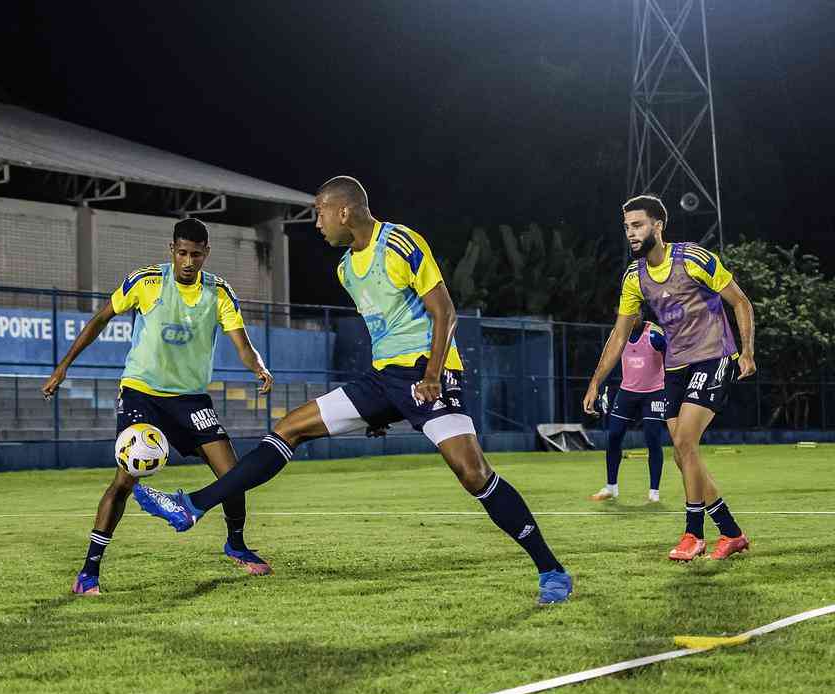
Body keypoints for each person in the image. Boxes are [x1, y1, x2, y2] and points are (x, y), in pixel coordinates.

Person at [133, 177, 572, 605]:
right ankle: (191, 506)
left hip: (428, 373)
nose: (317, 222)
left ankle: (551, 570)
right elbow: (385, 334)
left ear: (344, 211)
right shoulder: (345, 270)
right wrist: (378, 409)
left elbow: (446, 312)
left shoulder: (400, 244)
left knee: (472, 472)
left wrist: (434, 374)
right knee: (289, 427)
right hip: (383, 381)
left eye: (320, 212)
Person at [42, 218, 274, 595]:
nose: (188, 261)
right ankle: (88, 573)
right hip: (141, 393)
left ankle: (236, 543)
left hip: (191, 399)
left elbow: (242, 343)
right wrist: (63, 366)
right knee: (125, 478)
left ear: (206, 254)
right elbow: (100, 319)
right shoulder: (146, 282)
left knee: (233, 474)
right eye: (182, 252)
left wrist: (259, 367)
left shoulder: (219, 293)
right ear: (171, 250)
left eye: (195, 254)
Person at [584, 195, 755, 562]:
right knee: (682, 454)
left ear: (658, 226)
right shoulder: (634, 277)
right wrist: (596, 380)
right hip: (675, 368)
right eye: (627, 226)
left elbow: (740, 301)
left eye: (638, 225)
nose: (631, 232)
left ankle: (694, 533)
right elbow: (618, 335)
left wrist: (748, 351)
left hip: (714, 357)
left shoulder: (693, 258)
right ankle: (732, 532)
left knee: (686, 443)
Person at [589, 318, 668, 503]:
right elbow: (608, 360)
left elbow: (671, 361)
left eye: (636, 312)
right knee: (614, 435)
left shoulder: (655, 335)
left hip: (654, 393)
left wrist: (670, 391)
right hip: (627, 392)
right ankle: (611, 488)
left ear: (642, 311)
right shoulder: (619, 333)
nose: (632, 317)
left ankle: (654, 492)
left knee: (653, 438)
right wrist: (602, 388)